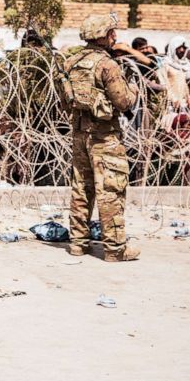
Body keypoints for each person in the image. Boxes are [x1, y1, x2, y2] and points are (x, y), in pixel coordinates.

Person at [63, 14, 140, 261]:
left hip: (79, 133)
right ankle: (115, 249)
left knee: (81, 188)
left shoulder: (71, 62)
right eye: (110, 33)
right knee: (110, 190)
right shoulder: (108, 65)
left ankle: (78, 243)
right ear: (102, 36)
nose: (114, 37)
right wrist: (135, 90)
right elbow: (123, 101)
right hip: (104, 135)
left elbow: (65, 100)